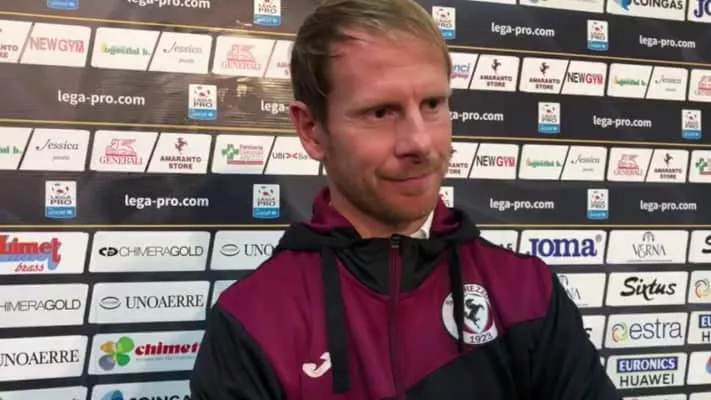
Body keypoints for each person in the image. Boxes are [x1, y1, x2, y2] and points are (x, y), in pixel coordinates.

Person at [190, 0, 620, 398]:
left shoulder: (527, 293)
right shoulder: (253, 322)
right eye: (381, 112)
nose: (420, 143)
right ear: (311, 130)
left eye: (433, 104)